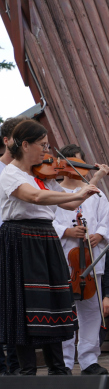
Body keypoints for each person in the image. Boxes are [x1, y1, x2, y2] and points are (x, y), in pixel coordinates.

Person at [0, 120, 103, 375]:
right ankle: (27, 372)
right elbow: (35, 197)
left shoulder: (40, 174)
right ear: (24, 145)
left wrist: (85, 189)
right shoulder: (10, 174)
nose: (47, 153)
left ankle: (59, 369)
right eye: (43, 146)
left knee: (54, 301)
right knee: (26, 303)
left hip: (45, 237)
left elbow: (66, 205)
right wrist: (77, 195)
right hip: (21, 238)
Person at [52, 144, 109, 375]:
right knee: (65, 312)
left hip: (89, 262)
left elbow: (105, 223)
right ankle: (65, 362)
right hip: (63, 261)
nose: (72, 168)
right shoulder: (54, 191)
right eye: (68, 163)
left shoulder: (96, 194)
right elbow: (48, 220)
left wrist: (99, 235)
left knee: (90, 312)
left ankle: (88, 360)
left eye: (77, 163)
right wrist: (66, 232)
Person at [0, 115, 25, 374]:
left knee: (16, 304)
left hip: (18, 243)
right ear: (8, 141)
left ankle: (17, 367)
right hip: (4, 238)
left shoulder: (29, 172)